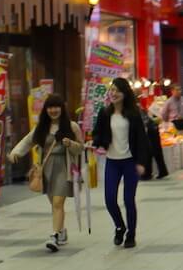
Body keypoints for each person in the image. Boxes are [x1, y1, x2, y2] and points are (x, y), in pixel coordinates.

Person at [10, 94, 84, 252]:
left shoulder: (72, 126)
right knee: (54, 204)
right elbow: (28, 141)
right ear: (46, 109)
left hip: (64, 167)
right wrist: (16, 153)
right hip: (46, 168)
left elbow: (80, 148)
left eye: (56, 106)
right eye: (50, 107)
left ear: (62, 108)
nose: (53, 110)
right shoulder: (41, 127)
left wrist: (70, 143)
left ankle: (55, 236)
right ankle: (62, 231)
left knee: (58, 203)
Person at [91, 77, 151, 248]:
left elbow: (141, 139)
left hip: (130, 162)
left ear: (125, 93)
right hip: (112, 162)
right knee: (110, 199)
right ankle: (120, 226)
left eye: (117, 90)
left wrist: (141, 162)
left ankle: (131, 234)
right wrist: (96, 143)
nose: (113, 93)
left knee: (128, 200)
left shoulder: (133, 114)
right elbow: (98, 134)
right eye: (112, 90)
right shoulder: (104, 113)